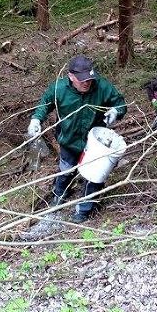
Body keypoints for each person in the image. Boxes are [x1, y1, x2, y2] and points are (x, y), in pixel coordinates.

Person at [27, 55, 127, 222]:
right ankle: (59, 195)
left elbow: (120, 103)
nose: (87, 83)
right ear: (70, 76)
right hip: (69, 139)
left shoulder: (101, 86)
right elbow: (44, 104)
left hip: (95, 142)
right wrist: (36, 119)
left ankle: (84, 210)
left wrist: (116, 112)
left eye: (89, 78)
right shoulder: (59, 88)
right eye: (82, 80)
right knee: (66, 169)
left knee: (94, 175)